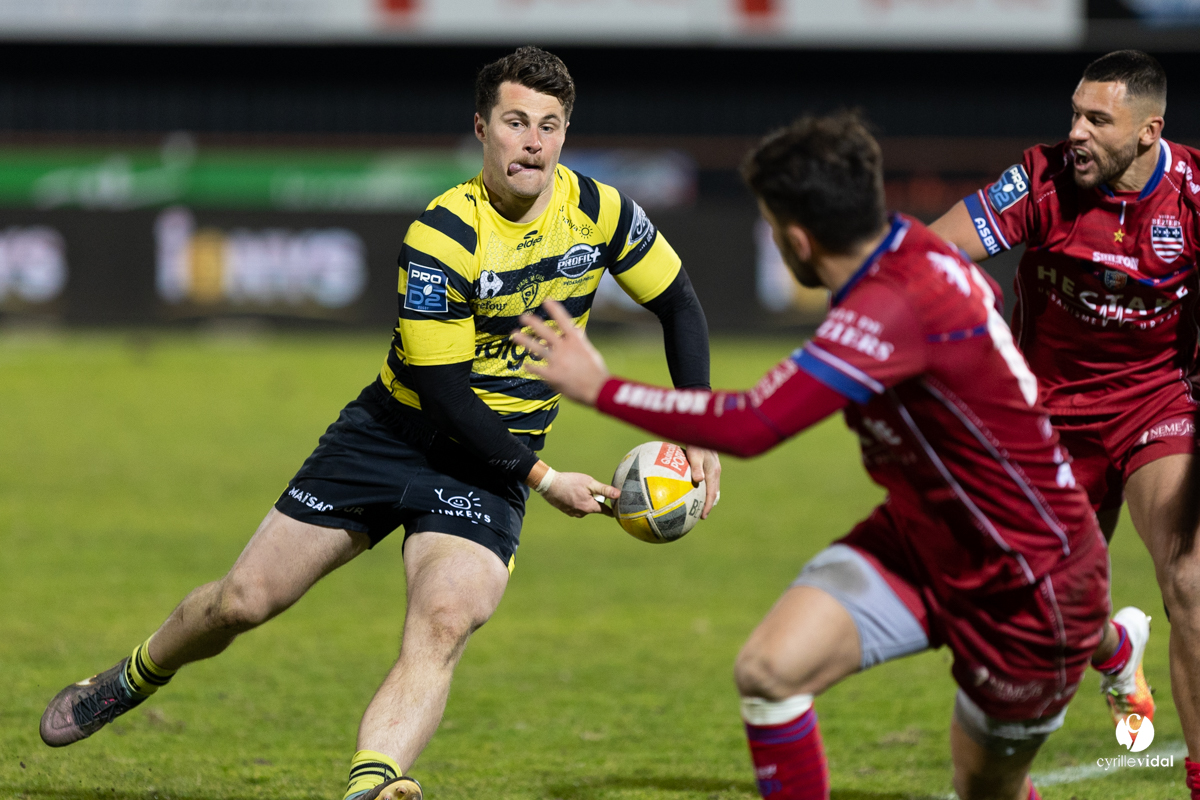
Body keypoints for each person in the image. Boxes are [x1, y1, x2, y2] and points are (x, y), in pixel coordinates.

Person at [38, 46, 721, 800]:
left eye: (550, 125)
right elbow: (444, 392)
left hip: (485, 466)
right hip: (391, 435)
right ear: (481, 129)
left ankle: (374, 783)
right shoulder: (442, 236)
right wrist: (546, 479)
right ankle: (133, 676)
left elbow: (678, 301)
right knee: (245, 601)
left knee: (445, 619)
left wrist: (697, 426)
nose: (532, 141)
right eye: (516, 121)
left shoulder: (602, 212)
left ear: (566, 134)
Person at [512, 111, 1125, 800]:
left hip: (1025, 580)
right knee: (770, 670)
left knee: (987, 790)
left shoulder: (896, 306)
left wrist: (601, 386)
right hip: (923, 536)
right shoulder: (908, 254)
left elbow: (753, 424)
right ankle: (1113, 644)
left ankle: (1111, 647)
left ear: (797, 239)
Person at [929, 47, 1200, 776]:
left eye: (1097, 119)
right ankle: (1114, 651)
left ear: (1149, 132)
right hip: (1047, 418)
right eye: (1074, 114)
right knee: (1038, 622)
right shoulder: (1042, 177)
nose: (1075, 132)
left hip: (1156, 403)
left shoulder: (1196, 193)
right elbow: (932, 253)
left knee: (1192, 580)